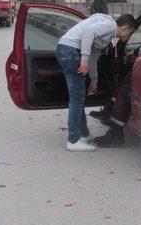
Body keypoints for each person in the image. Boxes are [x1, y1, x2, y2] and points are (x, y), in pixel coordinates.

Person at [56, 13, 136, 152]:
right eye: (130, 33)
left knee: (79, 97)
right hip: (71, 52)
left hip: (65, 50)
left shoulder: (106, 33)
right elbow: (88, 32)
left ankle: (84, 134)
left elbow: (93, 55)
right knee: (76, 98)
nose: (128, 38)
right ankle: (73, 140)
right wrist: (84, 59)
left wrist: (94, 79)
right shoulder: (110, 26)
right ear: (126, 28)